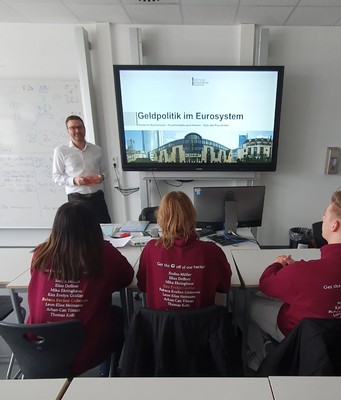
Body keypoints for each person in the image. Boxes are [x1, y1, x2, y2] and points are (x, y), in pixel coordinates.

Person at [248, 189, 341, 368]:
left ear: (334, 225)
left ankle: (263, 357)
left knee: (249, 302)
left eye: (325, 214)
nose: (322, 218)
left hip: (301, 336)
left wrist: (279, 264)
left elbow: (266, 284)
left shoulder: (304, 272)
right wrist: (297, 271)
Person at [27, 201, 134, 376]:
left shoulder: (40, 253)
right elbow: (127, 278)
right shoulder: (103, 253)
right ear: (93, 227)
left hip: (39, 346)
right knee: (118, 315)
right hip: (85, 348)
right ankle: (107, 373)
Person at [137, 191, 232, 310]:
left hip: (160, 326)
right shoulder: (212, 251)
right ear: (192, 216)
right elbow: (224, 287)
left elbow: (142, 286)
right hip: (201, 327)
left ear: (160, 219)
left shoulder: (151, 248)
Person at [52, 115, 111, 223]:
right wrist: (74, 180)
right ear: (67, 131)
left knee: (105, 230)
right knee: (80, 234)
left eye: (80, 127)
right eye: (73, 128)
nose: (77, 130)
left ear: (84, 128)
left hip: (97, 198)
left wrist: (101, 177)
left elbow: (105, 172)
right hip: (76, 200)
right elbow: (56, 176)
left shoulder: (97, 150)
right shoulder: (61, 151)